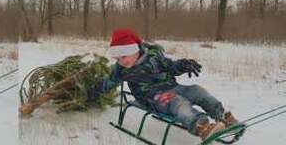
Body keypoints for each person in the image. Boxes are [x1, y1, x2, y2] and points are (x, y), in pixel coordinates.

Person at [88, 29, 239, 140]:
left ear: (135, 50)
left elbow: (170, 66)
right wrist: (95, 91)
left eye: (124, 56)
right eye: (118, 58)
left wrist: (183, 65)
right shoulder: (121, 70)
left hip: (172, 87)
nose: (121, 61)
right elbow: (110, 82)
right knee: (177, 102)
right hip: (152, 98)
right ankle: (202, 127)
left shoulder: (154, 55)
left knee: (197, 91)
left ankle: (222, 118)